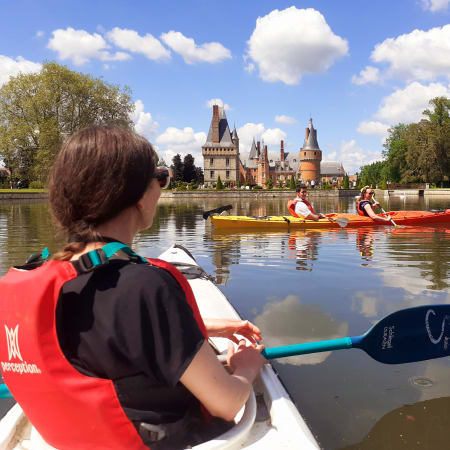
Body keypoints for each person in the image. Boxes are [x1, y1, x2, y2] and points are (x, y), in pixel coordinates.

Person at [0, 126, 266, 450]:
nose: (162, 187)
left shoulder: (46, 279)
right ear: (139, 195)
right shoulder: (144, 286)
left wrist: (200, 328)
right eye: (161, 177)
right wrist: (247, 365)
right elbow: (226, 403)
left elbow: (93, 331)